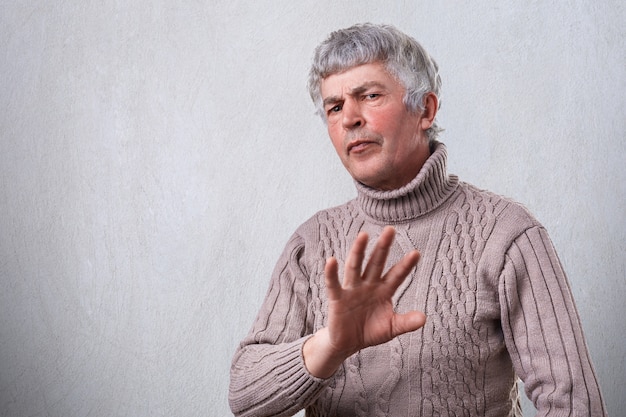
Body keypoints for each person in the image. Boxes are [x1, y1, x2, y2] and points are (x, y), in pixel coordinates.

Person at [228, 23, 606, 417]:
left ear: (425, 109)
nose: (349, 119)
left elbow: (575, 405)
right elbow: (245, 397)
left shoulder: (506, 233)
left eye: (370, 95)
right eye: (335, 107)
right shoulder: (311, 243)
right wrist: (332, 345)